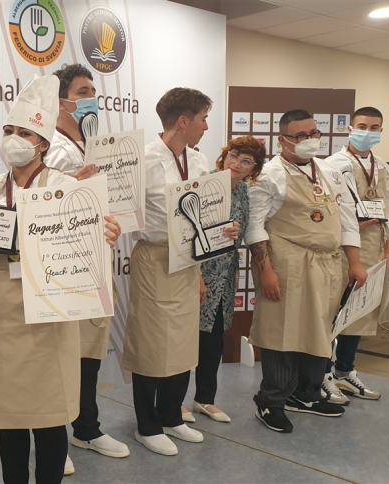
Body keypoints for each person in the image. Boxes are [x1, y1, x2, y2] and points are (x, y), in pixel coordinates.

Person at [0, 75, 121, 484]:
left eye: (25, 133)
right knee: (11, 416)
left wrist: (105, 234)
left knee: (51, 414)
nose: (15, 139)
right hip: (1, 309)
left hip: (51, 313)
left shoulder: (67, 188)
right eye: (9, 131)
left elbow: (89, 248)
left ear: (42, 143)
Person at [247, 109, 366, 434]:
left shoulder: (329, 171)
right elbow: (255, 226)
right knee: (283, 331)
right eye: (300, 135)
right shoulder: (269, 175)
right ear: (283, 139)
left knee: (320, 332)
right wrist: (266, 270)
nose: (309, 140)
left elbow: (346, 218)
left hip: (328, 265)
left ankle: (306, 393)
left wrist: (354, 262)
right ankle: (270, 399)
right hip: (288, 264)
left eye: (313, 132)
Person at [122, 87, 221, 456]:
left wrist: (200, 267)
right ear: (183, 121)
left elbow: (204, 215)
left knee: (182, 341)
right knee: (152, 343)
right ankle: (147, 425)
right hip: (155, 257)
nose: (206, 127)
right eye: (203, 119)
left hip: (187, 261)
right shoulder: (143, 160)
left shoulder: (198, 161)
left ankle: (171, 416)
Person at [45, 64, 129, 471]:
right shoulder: (50, 146)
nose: (91, 98)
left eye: (94, 90)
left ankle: (86, 426)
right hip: (65, 263)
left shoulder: (96, 144)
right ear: (62, 101)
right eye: (83, 91)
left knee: (90, 351)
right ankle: (54, 437)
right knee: (63, 351)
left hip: (99, 255)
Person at [189, 136, 266, 423]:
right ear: (224, 156)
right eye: (233, 155)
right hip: (198, 271)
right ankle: (174, 402)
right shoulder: (205, 184)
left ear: (253, 170)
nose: (237, 163)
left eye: (246, 161)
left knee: (214, 339)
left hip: (225, 274)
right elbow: (186, 232)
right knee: (187, 339)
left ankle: (205, 399)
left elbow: (244, 231)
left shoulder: (245, 192)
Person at [321, 106, 389, 403]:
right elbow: (329, 208)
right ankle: (323, 374)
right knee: (336, 312)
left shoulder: (383, 167)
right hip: (344, 249)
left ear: (380, 131)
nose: (368, 131)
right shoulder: (332, 165)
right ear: (349, 129)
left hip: (375, 246)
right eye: (362, 125)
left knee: (361, 312)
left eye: (374, 127)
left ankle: (345, 370)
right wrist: (354, 224)